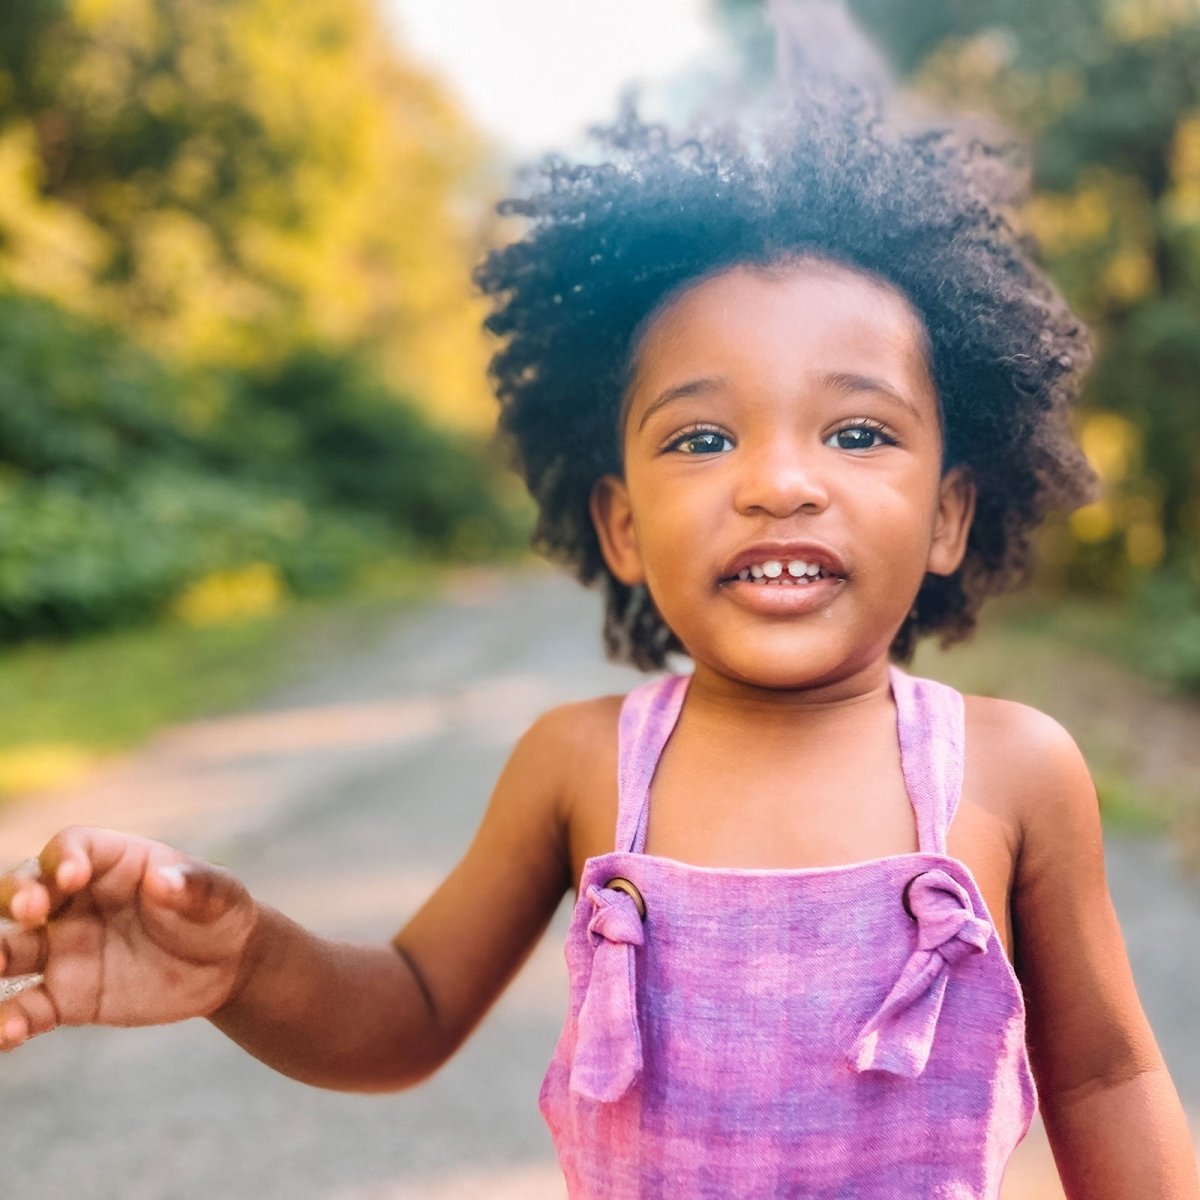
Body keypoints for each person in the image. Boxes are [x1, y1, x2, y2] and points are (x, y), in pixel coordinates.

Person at [1, 84, 1197, 1199]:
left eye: (857, 432)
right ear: (621, 526)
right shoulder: (579, 766)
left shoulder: (1014, 770)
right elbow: (408, 1012)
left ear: (950, 514)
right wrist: (246, 962)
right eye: (701, 440)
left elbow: (1106, 1079)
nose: (780, 481)